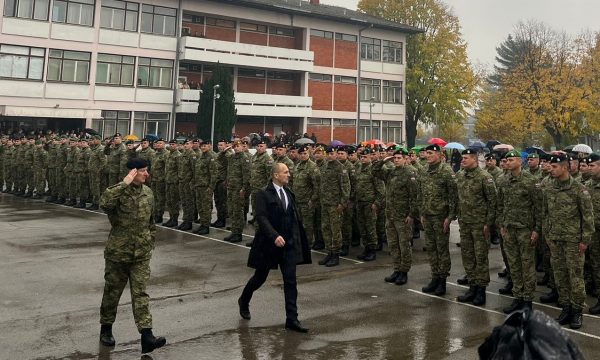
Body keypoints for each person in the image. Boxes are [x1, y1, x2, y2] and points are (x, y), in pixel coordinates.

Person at [98, 158, 166, 354]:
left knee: (140, 293)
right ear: (132, 173)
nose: (147, 174)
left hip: (141, 253)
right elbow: (104, 203)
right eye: (143, 171)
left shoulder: (148, 193)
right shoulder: (118, 192)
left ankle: (147, 336)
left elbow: (151, 222)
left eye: (147, 170)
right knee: (112, 292)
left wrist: (150, 240)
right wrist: (124, 183)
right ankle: (106, 328)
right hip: (118, 253)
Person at [238, 163, 312, 332]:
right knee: (259, 277)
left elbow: (293, 217)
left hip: (288, 245)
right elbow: (261, 218)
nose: (289, 175)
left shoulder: (288, 192)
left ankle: (292, 319)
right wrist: (274, 236)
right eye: (285, 172)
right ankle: (244, 300)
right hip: (269, 244)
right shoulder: (263, 193)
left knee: (290, 281)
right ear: (275, 175)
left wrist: (296, 239)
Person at [542, 153, 594, 329]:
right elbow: (545, 214)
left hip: (573, 241)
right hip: (555, 239)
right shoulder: (549, 188)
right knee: (560, 275)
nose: (551, 169)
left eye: (555, 167)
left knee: (575, 277)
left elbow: (588, 218)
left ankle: (577, 311)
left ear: (565, 167)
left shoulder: (580, 190)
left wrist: (585, 240)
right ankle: (566, 307)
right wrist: (547, 235)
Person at [497, 150, 540, 314]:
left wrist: (537, 229)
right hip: (509, 229)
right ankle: (518, 297)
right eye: (506, 160)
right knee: (514, 265)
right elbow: (500, 204)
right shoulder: (503, 181)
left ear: (519, 162)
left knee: (527, 265)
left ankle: (527, 300)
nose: (507, 162)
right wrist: (502, 224)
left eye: (511, 160)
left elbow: (538, 208)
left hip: (525, 229)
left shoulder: (531, 181)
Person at [455, 148, 497, 306]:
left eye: (466, 158)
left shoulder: (484, 177)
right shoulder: (460, 176)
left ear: (474, 159)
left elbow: (493, 202)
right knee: (468, 256)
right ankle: (472, 287)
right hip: (465, 222)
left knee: (480, 258)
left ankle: (481, 291)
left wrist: (489, 223)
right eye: (462, 158)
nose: (463, 160)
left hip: (480, 225)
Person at [419, 144, 457, 296]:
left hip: (441, 217)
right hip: (427, 216)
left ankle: (442, 281)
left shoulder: (446, 172)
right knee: (431, 249)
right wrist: (421, 212)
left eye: (430, 153)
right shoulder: (424, 171)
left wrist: (450, 217)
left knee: (442, 250)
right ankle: (434, 277)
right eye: (426, 153)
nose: (427, 156)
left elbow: (453, 197)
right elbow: (420, 193)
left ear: (440, 155)